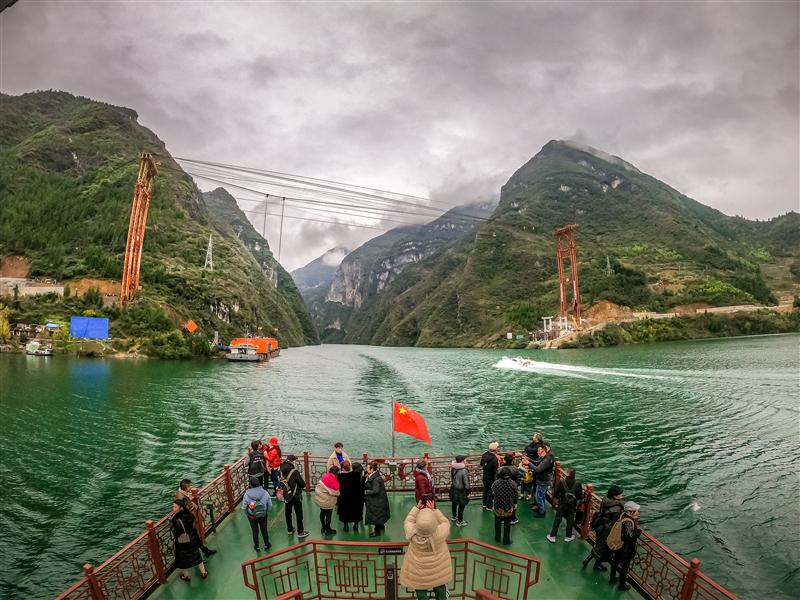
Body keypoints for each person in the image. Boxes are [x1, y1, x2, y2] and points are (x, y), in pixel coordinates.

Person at [398, 500, 452, 600]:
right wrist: (434, 510)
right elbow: (445, 522)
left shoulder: (412, 533)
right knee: (440, 586)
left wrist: (417, 508)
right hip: (438, 569)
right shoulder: (440, 532)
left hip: (419, 571)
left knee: (420, 590)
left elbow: (408, 521)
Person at [582, 485, 625, 571]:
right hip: (607, 531)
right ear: (615, 496)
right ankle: (595, 563)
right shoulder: (617, 508)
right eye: (620, 494)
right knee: (603, 549)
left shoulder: (605, 499)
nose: (622, 496)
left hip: (600, 526)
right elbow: (614, 523)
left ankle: (589, 561)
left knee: (598, 546)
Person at [175, 479, 216, 557]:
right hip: (187, 524)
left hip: (188, 523)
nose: (191, 487)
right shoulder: (181, 497)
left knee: (196, 538)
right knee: (192, 541)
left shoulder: (182, 494)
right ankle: (196, 558)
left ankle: (205, 551)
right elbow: (183, 511)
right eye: (190, 486)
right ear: (186, 487)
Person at [171, 498, 208, 582]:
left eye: (174, 507)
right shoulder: (189, 515)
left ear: (180, 508)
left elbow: (177, 532)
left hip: (182, 543)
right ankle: (204, 572)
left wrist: (172, 521)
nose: (172, 509)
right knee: (197, 556)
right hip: (192, 539)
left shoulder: (177, 520)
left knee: (183, 560)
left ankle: (186, 576)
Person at [609, 501, 642, 591]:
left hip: (618, 546)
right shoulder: (628, 522)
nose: (638, 512)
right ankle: (621, 585)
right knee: (624, 567)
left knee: (615, 562)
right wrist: (638, 532)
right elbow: (629, 536)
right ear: (631, 512)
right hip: (625, 549)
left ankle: (612, 578)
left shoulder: (621, 515)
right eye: (636, 511)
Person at [546, 468, 582, 543]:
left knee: (557, 519)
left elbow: (556, 494)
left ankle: (553, 536)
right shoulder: (578, 484)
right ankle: (568, 536)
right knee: (570, 520)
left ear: (567, 473)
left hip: (562, 504)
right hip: (572, 505)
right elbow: (579, 497)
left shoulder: (562, 482)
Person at [279, 458, 309, 537]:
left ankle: (290, 529)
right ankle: (300, 532)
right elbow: (302, 484)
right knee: (299, 513)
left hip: (286, 495)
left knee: (288, 513)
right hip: (295, 495)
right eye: (295, 461)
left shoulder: (281, 470)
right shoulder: (294, 472)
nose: (296, 462)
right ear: (292, 462)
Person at [242, 475, 273, 551]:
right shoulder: (265, 493)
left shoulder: (246, 495)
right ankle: (267, 544)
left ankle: (257, 546)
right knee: (264, 529)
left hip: (252, 516)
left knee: (255, 531)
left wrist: (248, 514)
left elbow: (244, 507)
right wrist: (266, 511)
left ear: (250, 485)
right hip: (263, 515)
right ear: (259, 483)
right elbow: (270, 505)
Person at [364, 461, 391, 537]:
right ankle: (381, 527)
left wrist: (366, 491)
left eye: (368, 468)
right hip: (380, 499)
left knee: (376, 515)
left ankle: (377, 532)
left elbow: (375, 491)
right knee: (380, 515)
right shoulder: (377, 476)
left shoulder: (375, 479)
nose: (366, 469)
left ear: (371, 469)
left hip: (377, 501)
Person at [491, 467, 517, 545]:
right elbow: (515, 495)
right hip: (508, 507)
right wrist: (515, 503)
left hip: (498, 506)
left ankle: (497, 537)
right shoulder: (513, 483)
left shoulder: (496, 483)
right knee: (507, 524)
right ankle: (506, 540)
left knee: (497, 522)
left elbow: (493, 492)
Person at [337, 460, 365, 531]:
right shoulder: (356, 475)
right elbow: (361, 486)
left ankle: (346, 526)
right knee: (356, 511)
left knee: (345, 512)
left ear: (342, 468)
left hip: (345, 498)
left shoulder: (340, 477)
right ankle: (356, 525)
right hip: (355, 498)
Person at [314, 465, 340, 535]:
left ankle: (323, 527)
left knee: (322, 513)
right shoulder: (334, 481)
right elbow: (337, 492)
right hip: (328, 501)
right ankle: (328, 530)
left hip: (321, 499)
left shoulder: (325, 476)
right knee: (328, 514)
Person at [529, 445, 554, 517]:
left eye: (538, 451)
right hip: (543, 479)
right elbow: (537, 463)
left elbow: (538, 469)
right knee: (541, 495)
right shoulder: (546, 457)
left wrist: (528, 463)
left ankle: (542, 512)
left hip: (543, 480)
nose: (537, 452)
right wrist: (529, 460)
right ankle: (541, 508)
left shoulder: (546, 460)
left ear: (543, 451)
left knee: (538, 496)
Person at [496, 453, 520, 525]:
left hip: (502, 488)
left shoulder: (500, 469)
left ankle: (503, 518)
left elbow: (496, 479)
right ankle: (513, 518)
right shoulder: (515, 468)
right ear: (512, 460)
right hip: (512, 488)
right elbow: (517, 480)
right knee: (512, 503)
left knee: (502, 503)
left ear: (504, 460)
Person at [449, 455, 470, 527]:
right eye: (465, 460)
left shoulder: (453, 468)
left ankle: (454, 516)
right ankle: (460, 521)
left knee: (454, 503)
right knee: (461, 504)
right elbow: (466, 483)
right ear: (462, 461)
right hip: (461, 490)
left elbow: (452, 478)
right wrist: (468, 492)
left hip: (454, 488)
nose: (466, 461)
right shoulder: (464, 470)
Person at [480, 442, 500, 510]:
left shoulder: (484, 455)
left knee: (485, 489)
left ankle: (484, 504)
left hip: (485, 475)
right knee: (490, 491)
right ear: (496, 450)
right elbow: (496, 470)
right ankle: (489, 506)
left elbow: (481, 464)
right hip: (492, 477)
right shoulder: (494, 459)